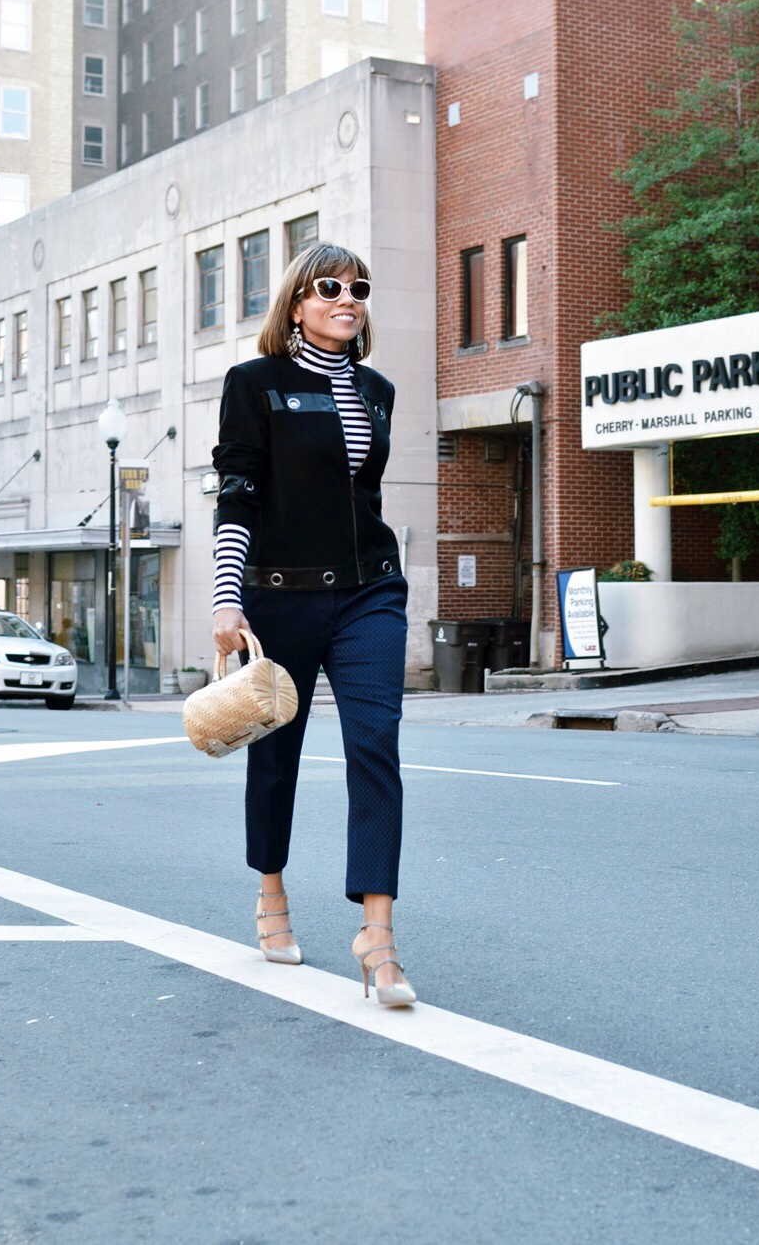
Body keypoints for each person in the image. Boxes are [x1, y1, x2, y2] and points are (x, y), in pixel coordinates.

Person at [211, 241, 415, 1008]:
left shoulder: (377, 390)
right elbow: (238, 496)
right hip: (279, 597)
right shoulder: (254, 384)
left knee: (376, 745)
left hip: (371, 592)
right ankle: (271, 891)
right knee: (276, 755)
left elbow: (363, 499)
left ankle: (378, 936)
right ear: (297, 302)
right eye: (329, 287)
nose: (347, 298)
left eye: (359, 288)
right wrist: (226, 600)